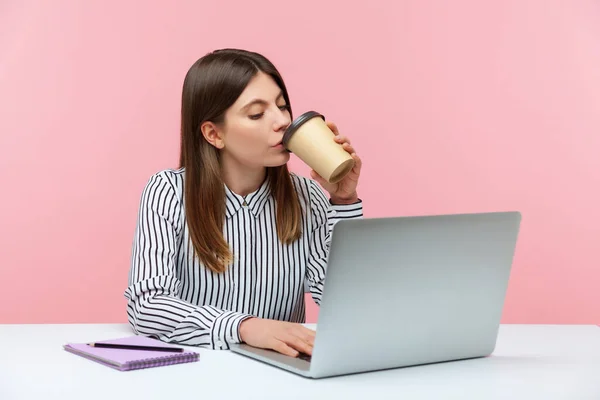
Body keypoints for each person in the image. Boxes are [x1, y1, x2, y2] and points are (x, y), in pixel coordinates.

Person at [124, 48, 363, 358]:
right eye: (256, 113)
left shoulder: (308, 197)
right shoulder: (168, 192)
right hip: (198, 369)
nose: (282, 121)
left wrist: (343, 200)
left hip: (281, 375)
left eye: (282, 105)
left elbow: (347, 301)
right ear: (214, 134)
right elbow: (147, 304)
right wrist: (245, 327)